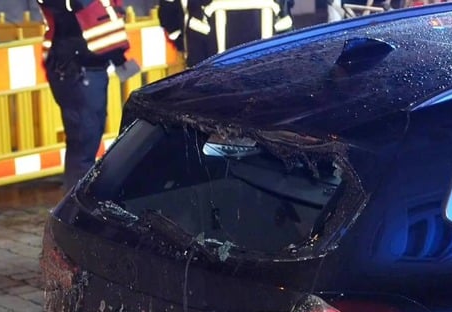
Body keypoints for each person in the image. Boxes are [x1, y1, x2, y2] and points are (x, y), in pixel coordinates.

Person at [37, 0, 139, 192]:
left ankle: (77, 201)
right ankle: (77, 206)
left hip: (82, 68)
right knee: (84, 140)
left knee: (85, 139)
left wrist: (119, 59)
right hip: (76, 70)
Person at [159, 0, 294, 67]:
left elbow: (168, 11)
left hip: (205, 67)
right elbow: (286, 12)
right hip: (267, 69)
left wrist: (181, 41)